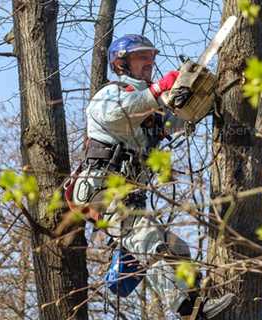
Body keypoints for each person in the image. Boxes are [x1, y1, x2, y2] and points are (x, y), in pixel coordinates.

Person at [70, 34, 233, 319]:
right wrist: (159, 90)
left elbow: (177, 121)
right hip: (99, 189)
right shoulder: (112, 93)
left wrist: (202, 97)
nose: (149, 62)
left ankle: (197, 300)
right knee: (149, 242)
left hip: (127, 194)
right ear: (121, 63)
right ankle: (190, 311)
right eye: (141, 57)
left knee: (176, 248)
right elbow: (117, 114)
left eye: (151, 57)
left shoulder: (149, 109)